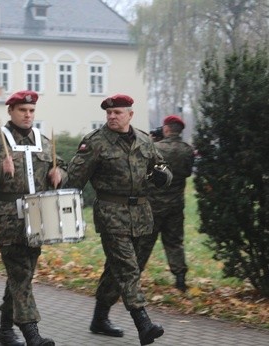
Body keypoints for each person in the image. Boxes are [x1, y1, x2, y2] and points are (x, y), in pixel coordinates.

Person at [65, 94, 172, 346]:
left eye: (118, 113)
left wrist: (162, 177)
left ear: (130, 115)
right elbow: (74, 179)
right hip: (111, 212)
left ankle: (99, 319)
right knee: (128, 268)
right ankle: (143, 323)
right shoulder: (95, 142)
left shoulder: (145, 139)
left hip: (142, 214)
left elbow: (162, 167)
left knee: (116, 270)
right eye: (109, 113)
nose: (112, 117)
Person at [0, 90, 63, 346]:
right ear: (11, 111)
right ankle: (32, 335)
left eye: (31, 111)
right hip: (8, 220)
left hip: (38, 219)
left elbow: (61, 168)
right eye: (22, 110)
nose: (27, 115)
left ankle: (5, 332)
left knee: (20, 277)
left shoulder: (44, 141)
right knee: (20, 275)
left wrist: (60, 175)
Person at [137, 115, 194, 292]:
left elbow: (143, 172)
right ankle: (180, 279)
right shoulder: (187, 150)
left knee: (144, 242)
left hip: (153, 205)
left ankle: (134, 277)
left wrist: (151, 141)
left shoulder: (155, 148)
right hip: (176, 205)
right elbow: (187, 173)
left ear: (166, 129)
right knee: (174, 242)